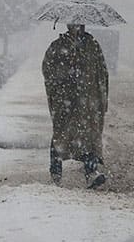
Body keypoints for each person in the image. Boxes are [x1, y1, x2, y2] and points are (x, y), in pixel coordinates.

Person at [42, 23, 110, 188]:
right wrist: (64, 76)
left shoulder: (92, 45)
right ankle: (56, 172)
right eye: (74, 24)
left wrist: (101, 97)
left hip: (87, 101)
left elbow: (101, 72)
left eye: (80, 24)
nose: (77, 27)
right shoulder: (57, 46)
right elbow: (48, 69)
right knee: (61, 134)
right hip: (64, 100)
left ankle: (91, 173)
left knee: (90, 137)